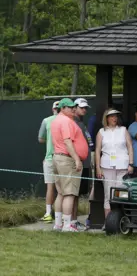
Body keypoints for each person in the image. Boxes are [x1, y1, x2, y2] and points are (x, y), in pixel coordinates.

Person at [51, 98, 89, 232]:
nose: (73, 109)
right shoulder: (66, 121)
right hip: (67, 159)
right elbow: (68, 142)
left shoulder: (56, 120)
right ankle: (67, 226)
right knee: (69, 194)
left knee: (61, 193)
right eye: (69, 107)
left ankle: (58, 224)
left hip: (58, 158)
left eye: (73, 106)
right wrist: (77, 159)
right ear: (62, 108)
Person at [95, 109, 134, 221]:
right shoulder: (101, 132)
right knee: (108, 194)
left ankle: (122, 220)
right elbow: (97, 151)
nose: (114, 118)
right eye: (111, 116)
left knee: (122, 193)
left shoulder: (123, 130)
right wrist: (98, 167)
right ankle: (108, 222)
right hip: (106, 166)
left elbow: (130, 146)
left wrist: (131, 163)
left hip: (123, 165)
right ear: (106, 118)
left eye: (116, 116)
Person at [73, 98, 94, 230]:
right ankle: (71, 221)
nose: (84, 110)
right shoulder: (72, 122)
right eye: (81, 107)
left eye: (85, 108)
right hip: (78, 163)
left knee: (79, 193)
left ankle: (74, 221)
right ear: (74, 108)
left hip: (85, 162)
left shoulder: (81, 122)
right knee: (73, 193)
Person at [38, 101, 60, 222]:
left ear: (53, 109)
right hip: (63, 159)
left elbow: (40, 139)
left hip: (49, 158)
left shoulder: (46, 121)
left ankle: (48, 213)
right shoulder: (67, 121)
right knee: (61, 189)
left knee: (50, 187)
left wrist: (49, 139)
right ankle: (59, 215)